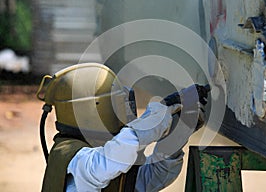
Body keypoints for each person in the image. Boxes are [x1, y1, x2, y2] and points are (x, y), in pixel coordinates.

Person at [37, 63, 208, 192]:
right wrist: (154, 119)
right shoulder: (74, 156)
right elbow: (112, 159)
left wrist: (174, 136)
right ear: (94, 108)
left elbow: (150, 179)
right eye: (116, 103)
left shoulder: (97, 154)